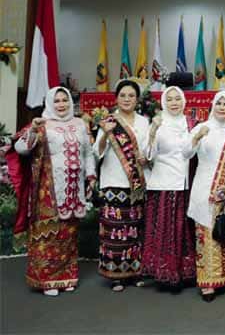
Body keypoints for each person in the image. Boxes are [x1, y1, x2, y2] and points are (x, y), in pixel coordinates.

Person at [10, 87, 95, 296]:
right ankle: (48, 280)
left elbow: (88, 153)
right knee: (49, 234)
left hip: (74, 188)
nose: (61, 104)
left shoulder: (80, 124)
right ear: (50, 103)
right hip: (48, 189)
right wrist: (32, 129)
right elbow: (22, 149)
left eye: (64, 100)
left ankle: (66, 276)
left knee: (69, 232)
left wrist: (91, 176)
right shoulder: (42, 124)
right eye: (56, 101)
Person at [93, 80, 150, 292]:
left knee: (135, 229)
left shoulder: (144, 122)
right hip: (113, 182)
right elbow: (96, 152)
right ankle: (116, 275)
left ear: (137, 99)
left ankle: (135, 271)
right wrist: (106, 134)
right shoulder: (108, 121)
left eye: (131, 96)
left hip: (136, 184)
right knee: (114, 231)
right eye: (123, 95)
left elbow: (147, 150)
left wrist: (146, 158)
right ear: (116, 98)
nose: (127, 99)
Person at [185, 91, 225, 302]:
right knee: (206, 233)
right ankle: (207, 282)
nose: (222, 107)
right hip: (203, 188)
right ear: (212, 105)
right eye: (218, 103)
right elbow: (186, 154)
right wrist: (196, 138)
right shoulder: (201, 127)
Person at [142, 86, 196, 289]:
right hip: (163, 184)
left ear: (184, 101)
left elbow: (191, 153)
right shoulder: (158, 123)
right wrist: (153, 130)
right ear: (164, 102)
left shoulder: (190, 123)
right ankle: (164, 271)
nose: (174, 103)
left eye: (178, 99)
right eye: (170, 99)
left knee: (183, 229)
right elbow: (148, 154)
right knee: (165, 229)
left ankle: (185, 272)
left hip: (184, 184)